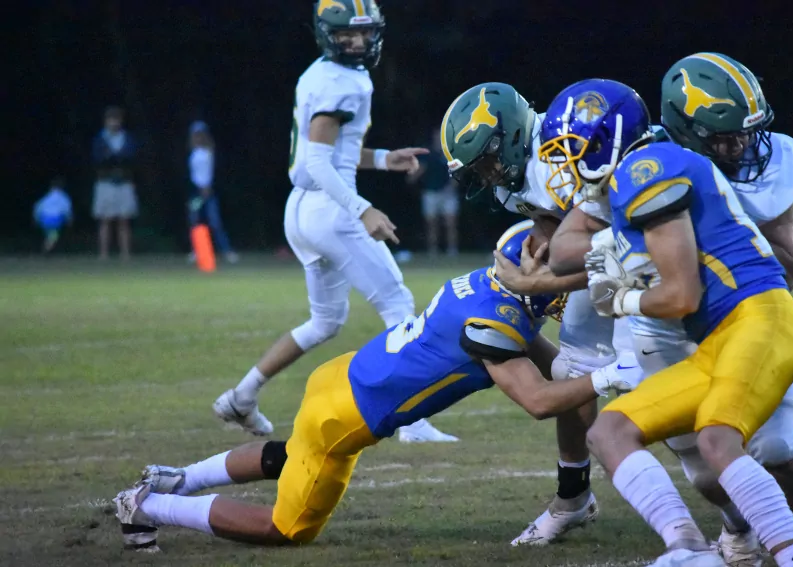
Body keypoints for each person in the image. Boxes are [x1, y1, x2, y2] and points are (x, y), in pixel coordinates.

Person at [113, 221, 640, 551]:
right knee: (288, 528)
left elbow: (553, 366)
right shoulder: (494, 323)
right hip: (346, 418)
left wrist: (601, 370)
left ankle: (179, 478)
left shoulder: (487, 287)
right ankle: (148, 506)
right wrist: (612, 373)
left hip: (342, 376)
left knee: (294, 451)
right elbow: (539, 400)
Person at [534, 76, 793, 567]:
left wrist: (623, 294)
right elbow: (563, 253)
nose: (740, 146)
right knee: (629, 437)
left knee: (748, 444)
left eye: (575, 149)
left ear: (611, 141)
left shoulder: (649, 168)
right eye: (724, 135)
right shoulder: (631, 174)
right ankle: (694, 547)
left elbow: (694, 291)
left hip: (744, 319)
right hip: (701, 334)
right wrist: (616, 246)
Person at [212, 0, 456, 443]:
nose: (357, 41)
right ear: (328, 34)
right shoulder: (341, 83)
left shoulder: (320, 74)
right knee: (398, 304)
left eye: (364, 32)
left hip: (301, 209)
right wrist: (363, 209)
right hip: (330, 209)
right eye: (347, 34)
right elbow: (319, 163)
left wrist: (383, 158)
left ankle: (241, 397)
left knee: (325, 322)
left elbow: (330, 152)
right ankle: (412, 422)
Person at [439, 82, 644, 545]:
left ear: (510, 136)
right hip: (609, 266)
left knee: (657, 385)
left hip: (647, 266)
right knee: (570, 370)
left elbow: (621, 253)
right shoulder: (517, 179)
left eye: (487, 162)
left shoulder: (561, 157)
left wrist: (542, 283)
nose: (488, 176)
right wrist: (544, 256)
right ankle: (573, 497)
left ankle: (734, 511)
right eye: (478, 170)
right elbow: (562, 235)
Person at [186, 121, 238, 264]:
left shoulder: (209, 152)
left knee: (215, 222)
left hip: (208, 192)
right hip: (196, 193)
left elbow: (208, 172)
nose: (198, 137)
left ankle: (226, 250)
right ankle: (197, 251)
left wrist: (207, 187)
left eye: (200, 135)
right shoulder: (193, 153)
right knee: (195, 221)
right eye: (195, 135)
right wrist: (198, 188)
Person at [92, 106, 137, 260]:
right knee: (105, 219)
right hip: (105, 181)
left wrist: (116, 157)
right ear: (106, 121)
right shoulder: (100, 139)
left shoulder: (127, 138)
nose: (114, 123)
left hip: (124, 181)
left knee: (124, 219)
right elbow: (97, 158)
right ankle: (103, 254)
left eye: (116, 119)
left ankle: (125, 254)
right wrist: (112, 158)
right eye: (111, 120)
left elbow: (132, 156)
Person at [406, 127, 460, 257]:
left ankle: (452, 250)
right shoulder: (428, 154)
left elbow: (457, 173)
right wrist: (412, 176)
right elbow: (419, 170)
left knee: (451, 223)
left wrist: (453, 186)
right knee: (431, 224)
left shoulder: (450, 153)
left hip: (447, 194)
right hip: (430, 193)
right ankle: (433, 250)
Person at [33, 176, 73, 253]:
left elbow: (37, 207)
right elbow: (67, 210)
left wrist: (36, 219)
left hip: (44, 219)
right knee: (53, 237)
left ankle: (46, 249)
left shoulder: (46, 197)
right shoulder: (63, 197)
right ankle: (45, 250)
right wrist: (69, 220)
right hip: (55, 220)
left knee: (50, 235)